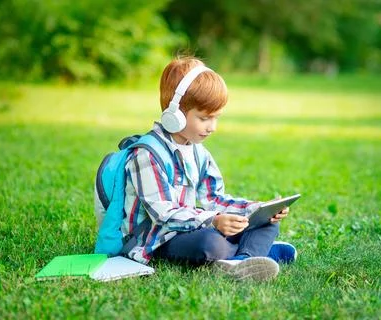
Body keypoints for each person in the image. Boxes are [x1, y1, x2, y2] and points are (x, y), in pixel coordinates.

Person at [97, 56, 297, 281]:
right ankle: (258, 252)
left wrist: (258, 210)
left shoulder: (198, 152)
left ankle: (241, 261)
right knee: (210, 243)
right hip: (157, 238)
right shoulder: (146, 155)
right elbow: (164, 214)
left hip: (191, 227)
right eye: (204, 118)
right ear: (176, 115)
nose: (212, 127)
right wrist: (213, 221)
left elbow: (216, 199)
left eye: (216, 118)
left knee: (267, 225)